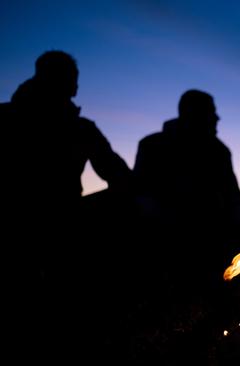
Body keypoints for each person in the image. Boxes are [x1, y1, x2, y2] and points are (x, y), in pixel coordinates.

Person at [0, 50, 132, 364]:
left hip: (61, 219)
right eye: (72, 82)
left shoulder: (78, 127)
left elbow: (118, 173)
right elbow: (119, 175)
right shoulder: (76, 127)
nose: (75, 89)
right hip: (41, 222)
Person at [134, 89, 240, 264]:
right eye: (210, 112)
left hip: (212, 220)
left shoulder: (220, 151)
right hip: (168, 219)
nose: (217, 118)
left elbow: (234, 199)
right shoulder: (152, 145)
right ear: (192, 114)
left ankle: (237, 272)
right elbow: (139, 190)